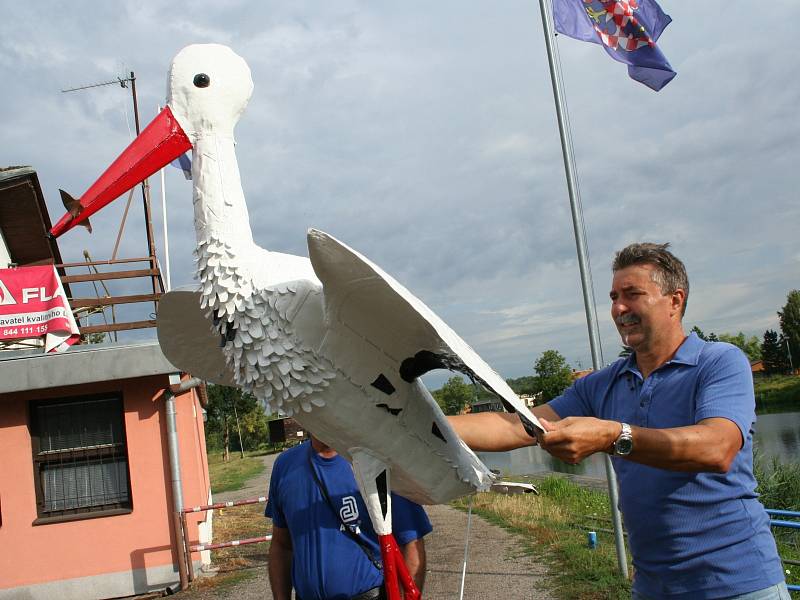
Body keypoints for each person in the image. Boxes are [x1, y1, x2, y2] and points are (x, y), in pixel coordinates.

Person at [450, 242, 789, 600]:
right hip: (653, 588)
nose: (618, 308)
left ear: (675, 300)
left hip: (740, 584)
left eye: (632, 294)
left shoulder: (719, 362)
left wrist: (614, 436)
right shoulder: (602, 384)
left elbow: (716, 447)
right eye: (613, 296)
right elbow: (516, 425)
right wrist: (407, 419)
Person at [265, 435, 432, 600]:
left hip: (369, 595)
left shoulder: (377, 461)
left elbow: (411, 543)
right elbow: (282, 545)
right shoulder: (285, 465)